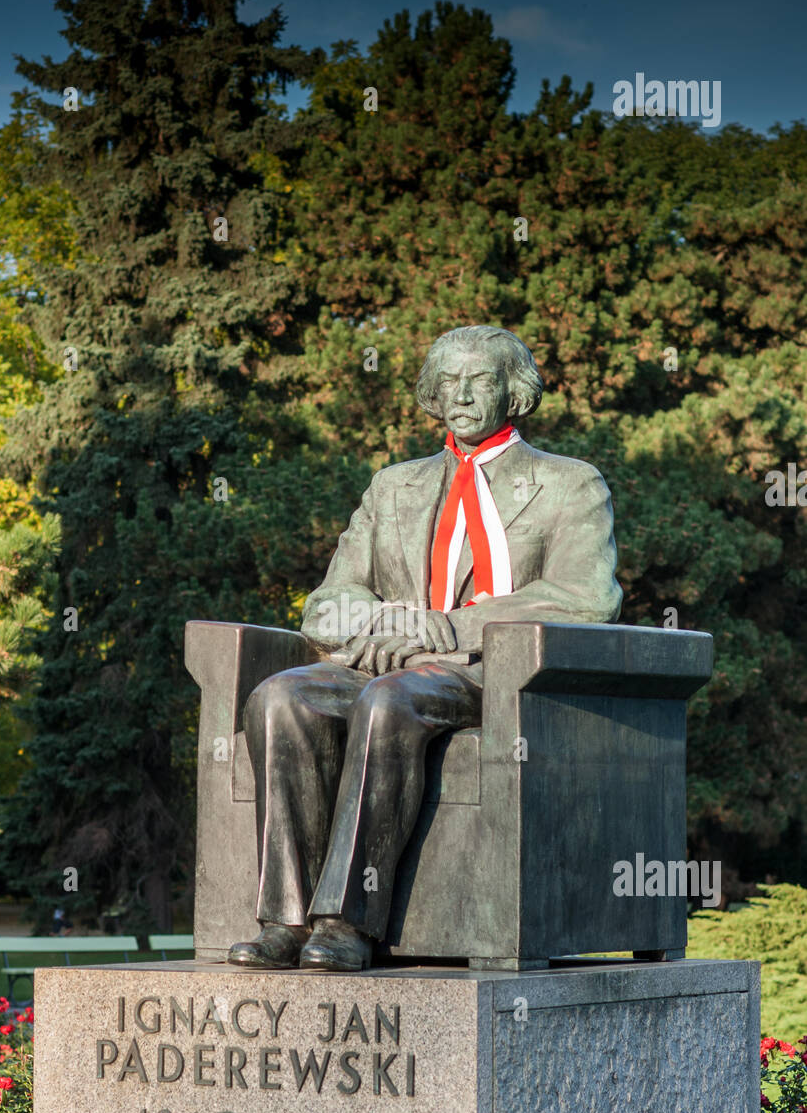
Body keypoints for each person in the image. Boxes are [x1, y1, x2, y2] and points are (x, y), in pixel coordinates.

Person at [228, 325, 622, 972]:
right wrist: (387, 622)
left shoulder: (570, 484)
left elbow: (587, 597)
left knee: (391, 699)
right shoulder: (393, 487)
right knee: (281, 696)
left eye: (480, 380)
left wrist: (452, 627)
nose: (461, 395)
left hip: (493, 675)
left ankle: (346, 920)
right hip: (388, 658)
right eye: (447, 382)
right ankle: (286, 920)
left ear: (515, 394)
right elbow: (327, 603)